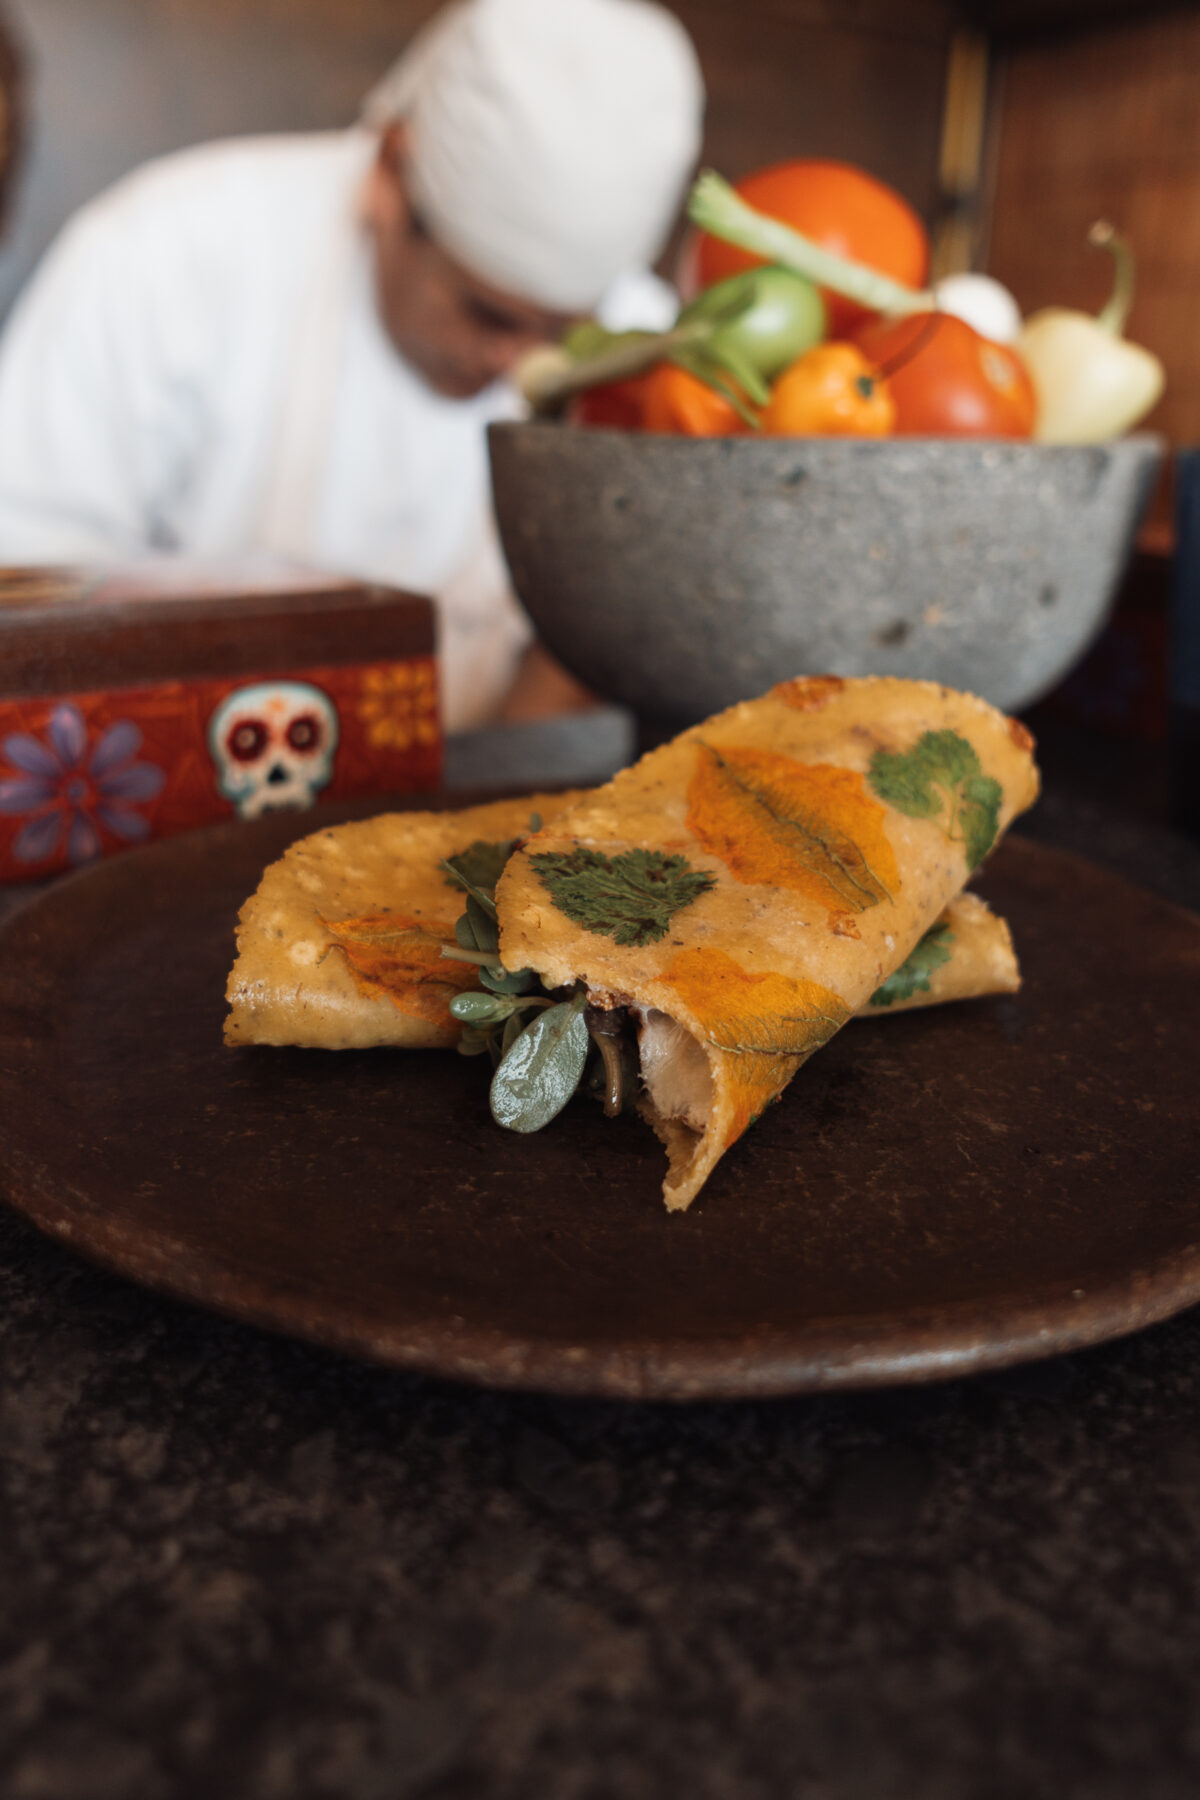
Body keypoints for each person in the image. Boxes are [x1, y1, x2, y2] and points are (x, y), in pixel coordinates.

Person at [0, 0, 703, 730]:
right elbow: (28, 589)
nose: (519, 366)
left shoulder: (649, 351)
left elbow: (608, 646)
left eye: (562, 335)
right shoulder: (162, 254)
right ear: (390, 174)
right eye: (488, 316)